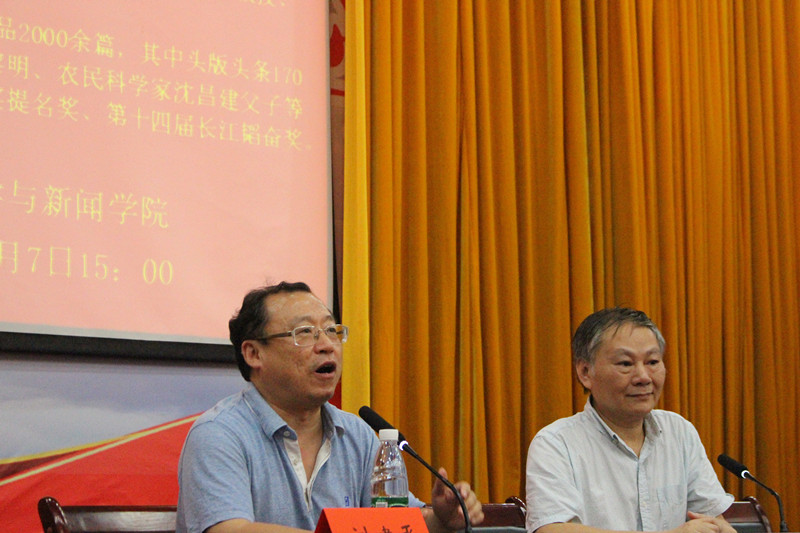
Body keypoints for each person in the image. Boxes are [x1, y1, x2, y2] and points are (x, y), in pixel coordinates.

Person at [177, 281, 483, 533]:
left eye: (331, 331)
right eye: (304, 333)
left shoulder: (357, 435)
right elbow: (229, 529)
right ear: (254, 354)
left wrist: (441, 521)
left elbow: (395, 524)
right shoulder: (219, 435)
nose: (326, 345)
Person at [525, 307, 736, 533]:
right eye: (626, 364)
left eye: (652, 362)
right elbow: (553, 530)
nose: (643, 377)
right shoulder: (556, 443)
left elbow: (713, 520)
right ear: (585, 372)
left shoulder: (679, 432)